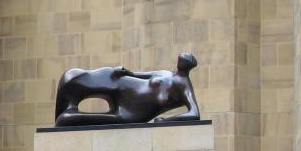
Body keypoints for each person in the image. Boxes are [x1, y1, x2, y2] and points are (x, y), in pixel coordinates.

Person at [54, 52, 200, 127]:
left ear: (188, 65)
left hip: (131, 113)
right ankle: (70, 92)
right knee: (80, 76)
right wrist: (125, 72)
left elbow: (194, 113)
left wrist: (166, 121)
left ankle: (68, 117)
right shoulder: (167, 73)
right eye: (181, 58)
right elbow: (141, 75)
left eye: (184, 60)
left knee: (65, 120)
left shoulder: (184, 86)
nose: (180, 61)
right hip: (124, 87)